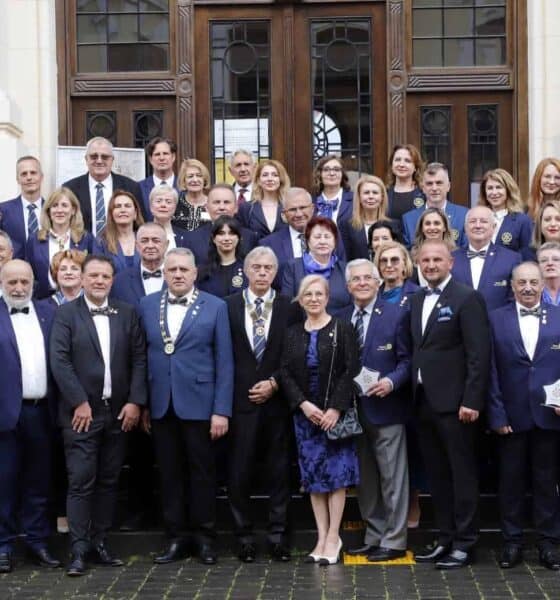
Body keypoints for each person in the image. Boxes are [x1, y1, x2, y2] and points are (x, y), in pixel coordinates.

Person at [49, 254, 147, 576]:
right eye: (93, 275)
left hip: (118, 412)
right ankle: (78, 549)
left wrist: (135, 402)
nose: (99, 281)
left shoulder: (127, 312)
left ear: (112, 280)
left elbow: (139, 359)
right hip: (81, 414)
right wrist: (78, 401)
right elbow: (60, 361)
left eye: (105, 276)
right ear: (82, 278)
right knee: (80, 481)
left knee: (108, 480)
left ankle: (99, 542)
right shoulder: (65, 314)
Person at [139, 248, 233, 565]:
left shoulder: (216, 306)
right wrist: (144, 403)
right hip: (161, 404)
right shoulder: (147, 305)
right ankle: (176, 538)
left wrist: (221, 410)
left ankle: (205, 539)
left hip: (201, 405)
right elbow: (142, 357)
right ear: (164, 273)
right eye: (172, 269)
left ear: (195, 273)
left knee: (202, 474)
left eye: (184, 269)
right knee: (169, 475)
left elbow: (225, 361)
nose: (178, 274)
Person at [410, 240, 491, 569]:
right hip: (423, 403)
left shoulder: (467, 298)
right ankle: (445, 538)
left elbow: (478, 354)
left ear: (450, 263)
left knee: (462, 475)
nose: (431, 265)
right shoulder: (417, 298)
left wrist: (471, 399)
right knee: (437, 476)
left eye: (437, 259)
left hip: (457, 405)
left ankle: (465, 543)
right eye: (425, 260)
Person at [280, 275, 360, 565]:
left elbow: (351, 369)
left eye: (319, 294)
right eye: (308, 295)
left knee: (337, 477)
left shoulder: (342, 327)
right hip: (306, 416)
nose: (313, 299)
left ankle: (334, 537)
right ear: (300, 300)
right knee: (313, 478)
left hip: (333, 415)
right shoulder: (292, 333)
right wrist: (303, 404)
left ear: (327, 297)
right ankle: (321, 536)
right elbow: (284, 372)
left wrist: (335, 408)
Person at [488, 262, 560, 570]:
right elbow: (489, 369)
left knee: (547, 481)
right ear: (512, 286)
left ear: (542, 284)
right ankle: (512, 542)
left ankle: (549, 543)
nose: (528, 287)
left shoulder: (559, 316)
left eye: (533, 282)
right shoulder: (495, 318)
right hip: (510, 415)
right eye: (522, 282)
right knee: (510, 482)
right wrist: (496, 413)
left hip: (550, 415)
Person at [225, 247, 295, 563]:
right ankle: (243, 537)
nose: (262, 272)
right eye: (257, 267)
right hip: (239, 403)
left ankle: (278, 537)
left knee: (278, 472)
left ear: (275, 272)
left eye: (268, 267)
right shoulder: (227, 306)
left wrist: (275, 383)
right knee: (239, 472)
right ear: (246, 270)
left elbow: (294, 353)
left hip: (277, 401)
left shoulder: (289, 307)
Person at [340, 259, 411, 562]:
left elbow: (408, 360)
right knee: (366, 480)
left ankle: (394, 540)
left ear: (378, 282)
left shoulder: (396, 315)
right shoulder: (340, 317)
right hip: (352, 412)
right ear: (348, 286)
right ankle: (374, 535)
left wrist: (391, 382)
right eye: (356, 279)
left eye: (368, 278)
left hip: (386, 407)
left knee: (393, 478)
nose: (362, 283)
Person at [0, 259, 60, 573]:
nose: (19, 288)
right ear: (2, 283)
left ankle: (38, 541)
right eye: (12, 282)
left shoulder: (50, 313)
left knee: (39, 480)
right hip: (4, 414)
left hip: (42, 411)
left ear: (33, 282)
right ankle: (3, 545)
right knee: (4, 481)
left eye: (24, 281)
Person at [63, 137, 144, 235]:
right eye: (94, 156)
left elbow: (140, 223)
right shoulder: (70, 188)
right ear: (86, 159)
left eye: (105, 157)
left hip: (120, 243)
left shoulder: (131, 187)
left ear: (112, 160)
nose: (99, 161)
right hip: (81, 244)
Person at [26, 187, 95, 299]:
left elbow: (92, 271)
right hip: (43, 300)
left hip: (77, 301)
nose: (59, 210)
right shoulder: (35, 239)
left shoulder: (86, 239)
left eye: (64, 205)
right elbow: (29, 273)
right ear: (48, 211)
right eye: (55, 206)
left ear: (73, 210)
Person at [451, 206, 521, 311]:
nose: (478, 225)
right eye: (473, 221)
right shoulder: (451, 259)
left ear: (494, 227)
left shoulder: (511, 259)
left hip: (497, 321)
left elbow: (515, 299)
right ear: (465, 227)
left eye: (483, 221)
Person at [281, 216, 351, 312]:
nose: (322, 241)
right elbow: (286, 303)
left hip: (339, 321)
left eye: (327, 237)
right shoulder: (293, 267)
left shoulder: (345, 269)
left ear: (335, 242)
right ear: (308, 241)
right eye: (317, 237)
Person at [182, 184, 258, 267]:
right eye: (216, 202)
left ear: (236, 207)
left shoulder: (250, 238)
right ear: (206, 207)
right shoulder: (191, 239)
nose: (222, 207)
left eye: (226, 202)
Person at [402, 163, 468, 249]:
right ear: (423, 188)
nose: (434, 188)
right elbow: (407, 254)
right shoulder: (408, 219)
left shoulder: (464, 215)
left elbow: (465, 250)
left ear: (448, 186)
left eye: (439, 183)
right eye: (429, 183)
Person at [111, 222, 169, 308]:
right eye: (144, 241)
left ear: (166, 245)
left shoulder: (180, 277)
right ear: (137, 246)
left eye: (156, 240)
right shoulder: (119, 281)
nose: (150, 246)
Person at [339, 175, 394, 261]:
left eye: (375, 193)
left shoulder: (393, 225)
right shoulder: (346, 224)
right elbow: (344, 258)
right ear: (359, 197)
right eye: (366, 193)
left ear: (382, 197)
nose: (371, 196)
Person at [478, 168, 533, 254]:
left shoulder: (522, 221)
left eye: (499, 187)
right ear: (485, 192)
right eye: (490, 188)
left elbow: (527, 254)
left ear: (508, 190)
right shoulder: (478, 219)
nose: (494, 192)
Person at [0, 156, 45, 259]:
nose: (29, 177)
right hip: (12, 267)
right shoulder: (3, 210)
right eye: (24, 174)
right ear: (18, 179)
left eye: (33, 173)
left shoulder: (52, 210)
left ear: (41, 177)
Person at [197, 216, 248, 298]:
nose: (226, 238)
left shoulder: (248, 269)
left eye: (231, 233)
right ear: (213, 238)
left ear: (239, 238)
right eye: (221, 233)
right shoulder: (201, 272)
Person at [238, 159, 290, 239]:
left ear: (281, 179)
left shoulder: (289, 207)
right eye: (265, 175)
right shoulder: (246, 208)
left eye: (275, 175)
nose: (270, 179)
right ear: (258, 180)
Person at [95, 190, 145, 273]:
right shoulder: (101, 242)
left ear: (135, 213)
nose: (123, 210)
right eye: (118, 206)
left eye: (127, 206)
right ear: (111, 214)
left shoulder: (146, 239)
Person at [138, 137, 178, 220]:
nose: (162, 158)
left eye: (165, 154)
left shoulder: (184, 187)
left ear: (173, 157)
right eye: (157, 154)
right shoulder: (138, 188)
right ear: (150, 159)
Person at [374, 241, 419, 309]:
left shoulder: (418, 294)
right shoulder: (372, 295)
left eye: (394, 260)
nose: (389, 265)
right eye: (384, 260)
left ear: (405, 264)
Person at [385, 144, 426, 220]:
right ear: (391, 165)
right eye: (397, 160)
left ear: (415, 167)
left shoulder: (424, 194)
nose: (401, 165)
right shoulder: (384, 194)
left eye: (407, 161)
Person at [311, 155, 353, 226]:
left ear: (342, 174)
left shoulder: (355, 200)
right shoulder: (311, 201)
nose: (332, 173)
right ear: (319, 174)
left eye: (336, 169)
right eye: (326, 170)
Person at [173, 158, 211, 231]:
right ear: (184, 181)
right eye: (190, 176)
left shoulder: (213, 204)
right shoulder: (175, 204)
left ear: (204, 179)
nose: (195, 180)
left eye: (199, 176)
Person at [148, 184, 187, 249]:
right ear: (151, 206)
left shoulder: (184, 236)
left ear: (175, 207)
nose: (163, 205)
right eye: (158, 201)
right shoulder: (141, 233)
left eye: (168, 202)